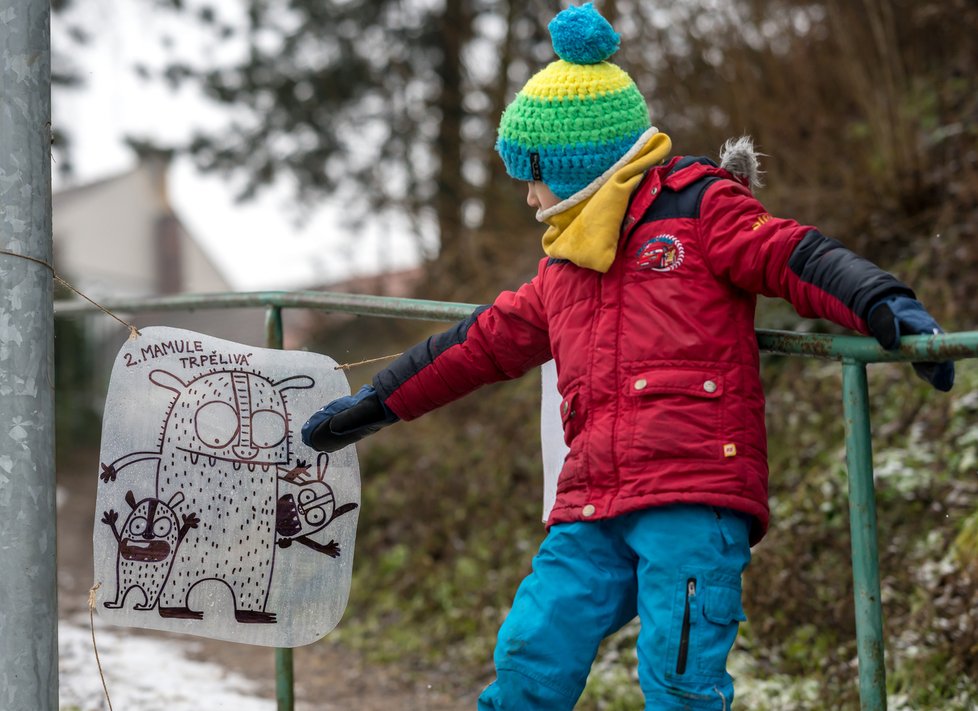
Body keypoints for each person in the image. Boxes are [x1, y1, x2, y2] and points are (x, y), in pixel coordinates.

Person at [301, 4, 954, 709]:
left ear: (577, 166)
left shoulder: (702, 209)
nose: (528, 195)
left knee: (678, 681)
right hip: (592, 503)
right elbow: (478, 344)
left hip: (691, 496)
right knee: (530, 651)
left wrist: (885, 302)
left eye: (534, 175)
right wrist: (378, 402)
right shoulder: (565, 270)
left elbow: (795, 255)